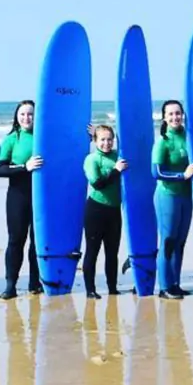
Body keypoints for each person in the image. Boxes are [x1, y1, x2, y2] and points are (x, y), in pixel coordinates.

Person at [0, 100, 44, 299]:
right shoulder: (11, 139)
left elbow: (66, 144)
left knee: (37, 241)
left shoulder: (43, 136)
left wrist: (90, 134)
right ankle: (10, 285)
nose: (27, 118)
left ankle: (35, 283)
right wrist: (25, 166)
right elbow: (1, 169)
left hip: (41, 197)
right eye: (23, 114)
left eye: (31, 114)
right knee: (16, 240)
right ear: (17, 116)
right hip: (18, 196)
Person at [152, 100, 193, 300]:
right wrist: (183, 176)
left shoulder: (188, 137)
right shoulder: (163, 140)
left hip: (186, 196)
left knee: (180, 241)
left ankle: (176, 284)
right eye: (170, 114)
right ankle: (164, 287)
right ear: (164, 117)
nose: (175, 117)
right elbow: (156, 171)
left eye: (178, 113)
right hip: (167, 196)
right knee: (168, 240)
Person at [82, 124, 127, 299]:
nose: (106, 143)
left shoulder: (117, 157)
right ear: (95, 141)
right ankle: (90, 290)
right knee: (92, 250)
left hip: (114, 212)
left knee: (112, 252)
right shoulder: (91, 159)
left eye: (110, 139)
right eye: (102, 140)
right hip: (96, 210)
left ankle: (112, 288)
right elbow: (97, 183)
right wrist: (116, 170)